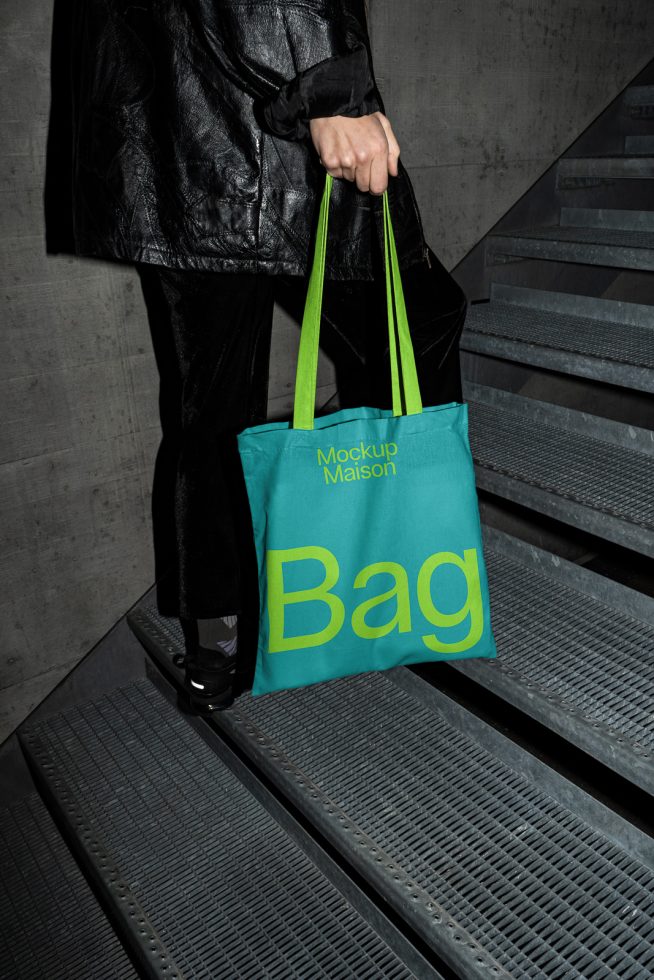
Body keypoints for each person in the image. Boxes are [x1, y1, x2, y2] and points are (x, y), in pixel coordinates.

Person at [44, 0, 467, 713]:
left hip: (169, 135)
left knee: (209, 402)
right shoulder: (313, 92)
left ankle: (218, 641)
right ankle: (390, 571)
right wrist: (331, 90)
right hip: (281, 114)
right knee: (418, 323)